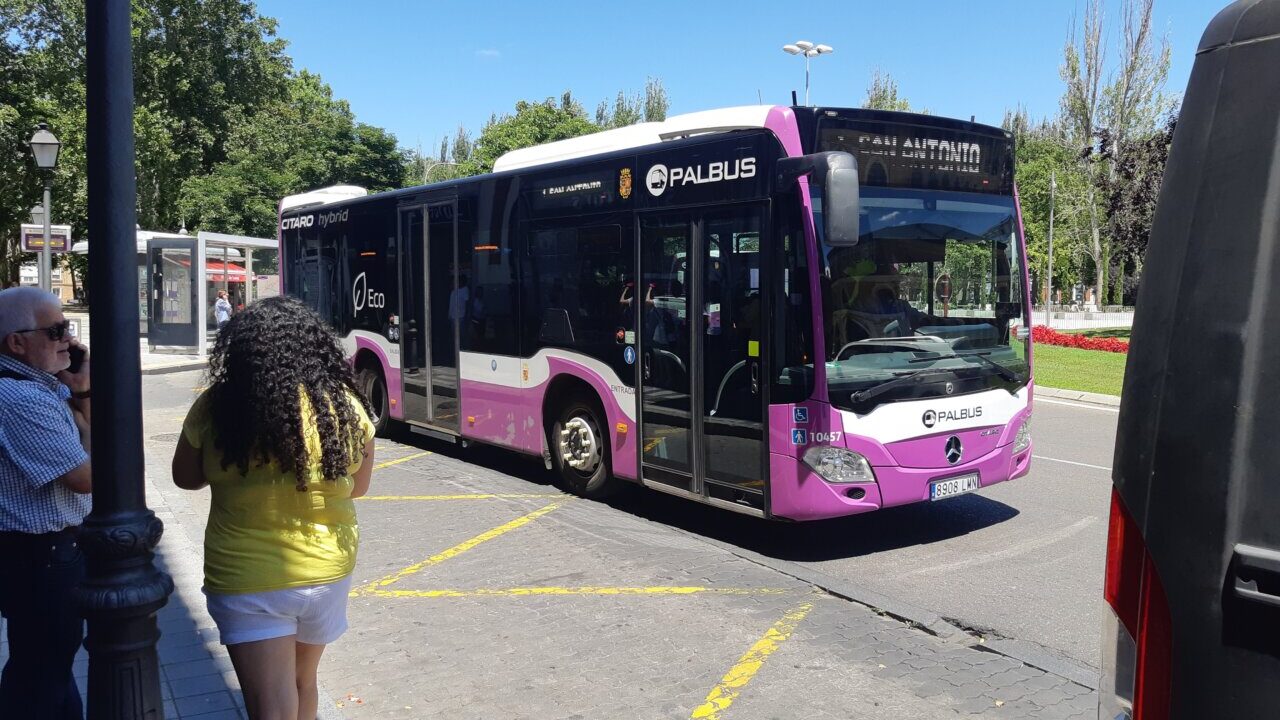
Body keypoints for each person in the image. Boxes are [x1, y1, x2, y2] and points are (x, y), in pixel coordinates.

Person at [171, 296, 376, 720]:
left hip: (247, 576)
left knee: (270, 703)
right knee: (303, 684)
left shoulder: (218, 406)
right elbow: (358, 488)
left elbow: (185, 477)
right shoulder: (343, 405)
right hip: (326, 570)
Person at [0, 286, 92, 719]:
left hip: (47, 555)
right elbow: (87, 477)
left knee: (50, 672)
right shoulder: (20, 398)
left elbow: (87, 447)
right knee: (39, 682)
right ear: (16, 342)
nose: (69, 342)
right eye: (56, 330)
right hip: (41, 559)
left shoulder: (40, 386)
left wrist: (82, 392)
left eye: (68, 328)